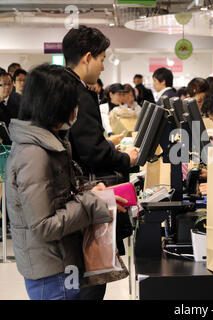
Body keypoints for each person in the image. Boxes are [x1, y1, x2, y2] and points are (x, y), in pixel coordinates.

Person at [5, 63, 116, 300]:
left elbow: (59, 194)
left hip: (60, 262)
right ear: (56, 104)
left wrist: (89, 190)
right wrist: (92, 203)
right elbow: (44, 225)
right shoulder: (35, 154)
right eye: (71, 102)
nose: (75, 109)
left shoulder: (49, 142)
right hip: (52, 271)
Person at [62, 25, 138, 300]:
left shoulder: (67, 87)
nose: (104, 66)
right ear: (87, 57)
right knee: (92, 279)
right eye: (102, 58)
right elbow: (92, 150)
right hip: (86, 194)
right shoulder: (79, 93)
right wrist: (124, 158)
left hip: (73, 196)